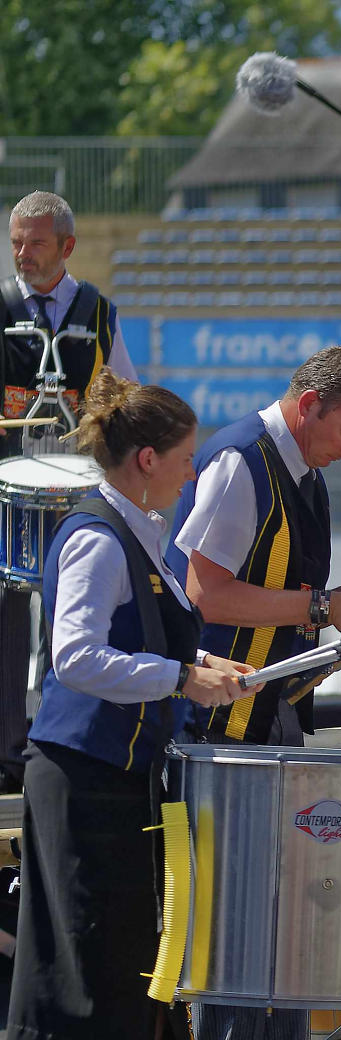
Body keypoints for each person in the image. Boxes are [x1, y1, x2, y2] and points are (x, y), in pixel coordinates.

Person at [5, 371, 254, 1040]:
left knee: (148, 946)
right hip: (82, 771)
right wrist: (180, 679)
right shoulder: (96, 536)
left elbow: (141, 642)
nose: (192, 472)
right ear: (147, 457)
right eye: (184, 458)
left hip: (126, 769)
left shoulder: (137, 526)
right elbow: (74, 659)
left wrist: (194, 664)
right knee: (100, 948)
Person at [167, 346, 341, 1040]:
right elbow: (206, 593)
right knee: (242, 914)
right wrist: (326, 604)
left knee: (291, 905)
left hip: (267, 714)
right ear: (308, 405)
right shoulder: (240, 463)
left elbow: (297, 599)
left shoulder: (299, 469)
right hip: (220, 724)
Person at [2, 191, 139, 797]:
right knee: (7, 614)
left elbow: (126, 395)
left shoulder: (98, 311)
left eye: (35, 242)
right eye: (16, 242)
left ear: (67, 247)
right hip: (9, 484)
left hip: (78, 489)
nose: (22, 254)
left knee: (69, 615)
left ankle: (58, 739)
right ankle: (6, 748)